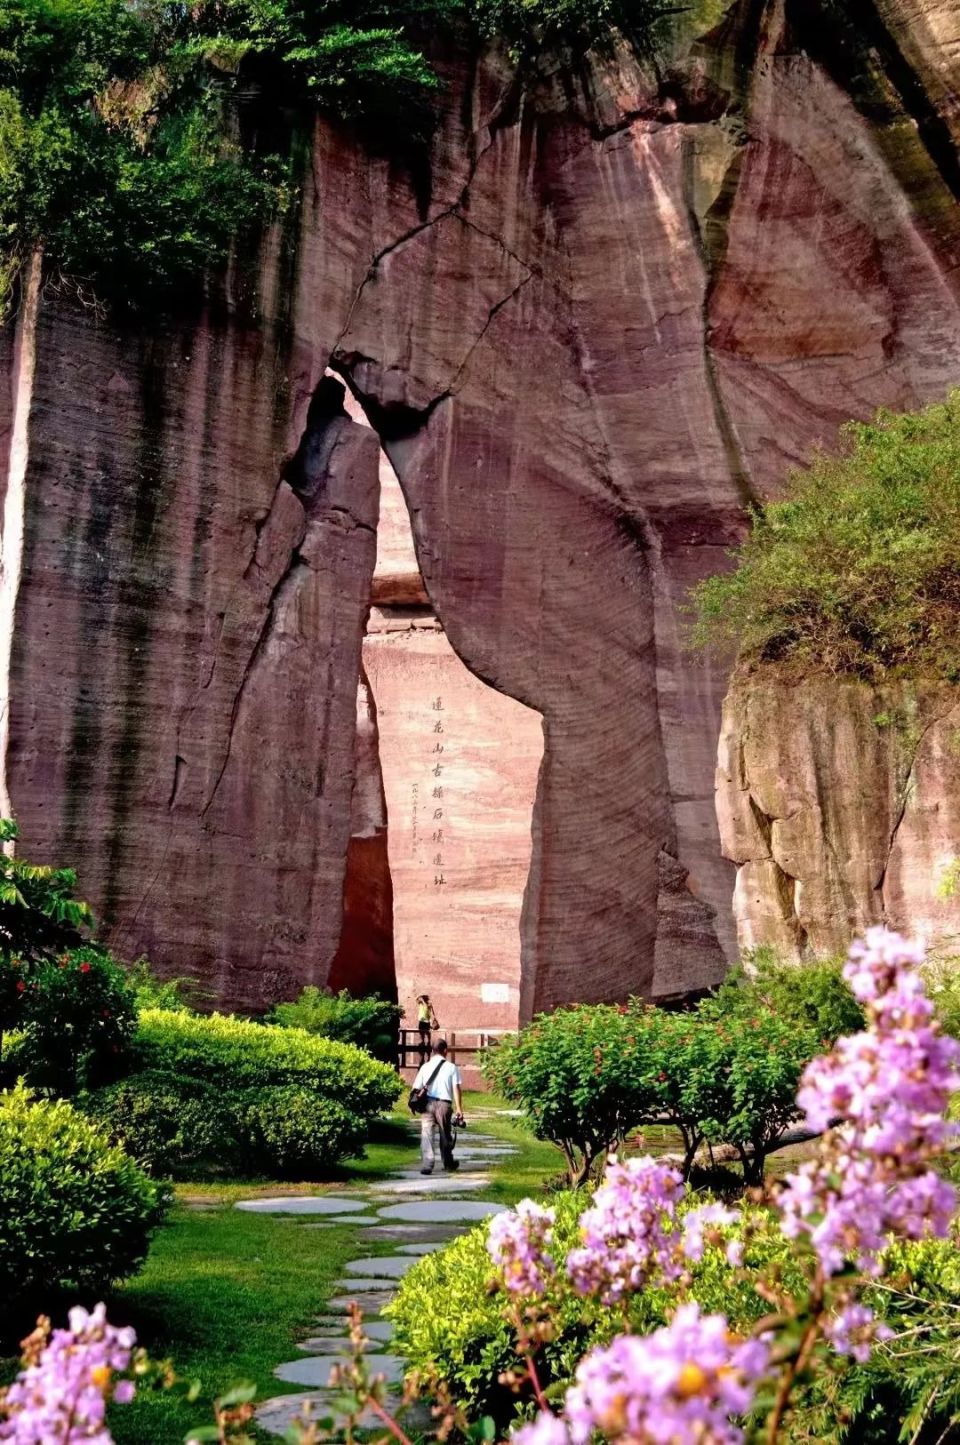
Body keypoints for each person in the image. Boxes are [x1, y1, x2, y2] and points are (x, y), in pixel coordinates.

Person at [411, 1038, 465, 1175]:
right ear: (445, 1050)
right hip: (444, 1104)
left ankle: (427, 1164)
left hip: (427, 1103)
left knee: (427, 1133)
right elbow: (456, 1089)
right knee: (445, 1135)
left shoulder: (425, 1066)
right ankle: (448, 1162)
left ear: (432, 1051)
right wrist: (459, 1109)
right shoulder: (451, 1067)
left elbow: (416, 1088)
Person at [416, 993, 438, 1061]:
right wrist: (419, 995)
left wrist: (433, 1019)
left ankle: (428, 1044)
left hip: (427, 1021)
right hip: (421, 1021)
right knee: (421, 1033)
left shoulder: (428, 1004)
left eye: (424, 998)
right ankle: (422, 1043)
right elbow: (416, 999)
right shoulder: (420, 1003)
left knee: (428, 1033)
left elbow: (430, 1010)